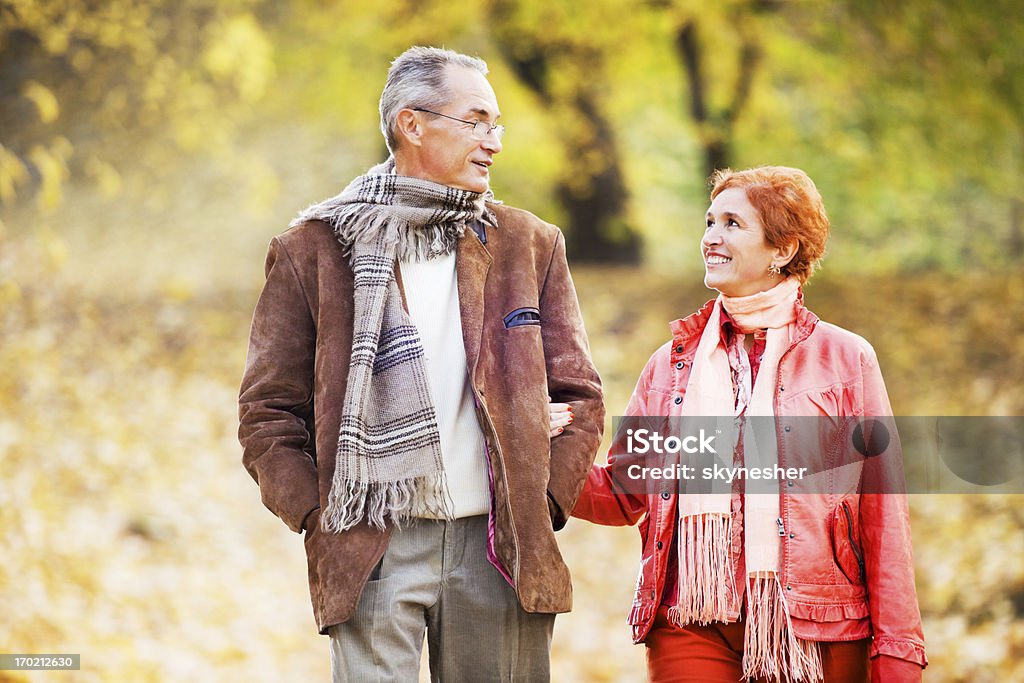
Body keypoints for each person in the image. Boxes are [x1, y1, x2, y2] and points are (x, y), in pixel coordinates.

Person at [238, 46, 604, 682]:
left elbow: (582, 397)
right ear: (413, 124)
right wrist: (318, 515)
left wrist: (541, 501)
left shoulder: (529, 244)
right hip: (371, 544)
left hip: (500, 549)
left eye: (497, 126)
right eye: (477, 121)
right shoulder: (314, 251)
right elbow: (267, 412)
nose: (493, 141)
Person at [572, 166, 926, 682]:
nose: (711, 237)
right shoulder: (670, 365)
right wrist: (536, 444)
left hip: (814, 625)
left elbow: (882, 512)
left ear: (782, 250)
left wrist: (897, 650)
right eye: (710, 221)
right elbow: (625, 494)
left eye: (732, 224)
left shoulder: (846, 361)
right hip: (690, 617)